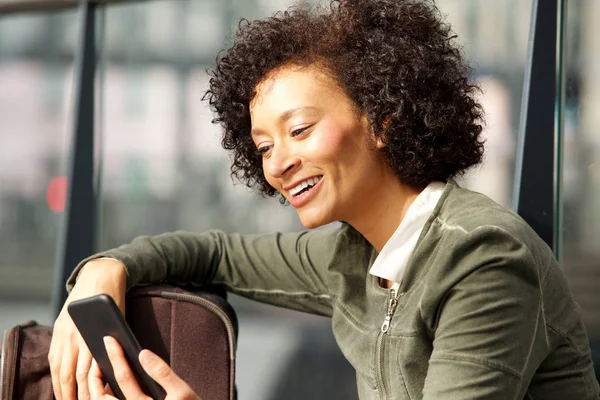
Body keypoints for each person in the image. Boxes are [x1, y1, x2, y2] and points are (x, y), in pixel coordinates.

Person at [48, 0, 599, 399]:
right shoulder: (352, 254)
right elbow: (215, 253)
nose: (278, 162)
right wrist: (104, 270)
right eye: (264, 146)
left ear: (383, 120)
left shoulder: (483, 257)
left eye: (301, 129)